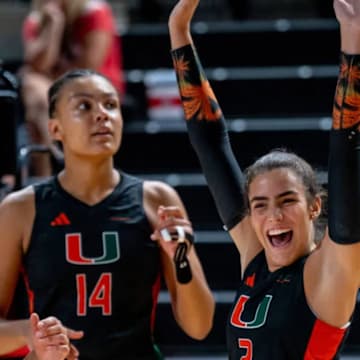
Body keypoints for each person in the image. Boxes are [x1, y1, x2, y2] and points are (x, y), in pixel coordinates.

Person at [169, 0, 360, 358]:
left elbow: (348, 159)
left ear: (314, 206)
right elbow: (211, 146)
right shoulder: (256, 257)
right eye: (260, 205)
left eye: (287, 200)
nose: (273, 215)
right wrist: (178, 30)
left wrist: (353, 39)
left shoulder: (329, 273)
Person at [0, 68, 214, 359]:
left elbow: (200, 327)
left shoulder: (157, 199)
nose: (102, 114)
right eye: (83, 106)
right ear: (54, 129)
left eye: (110, 105)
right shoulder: (20, 209)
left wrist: (182, 256)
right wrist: (30, 333)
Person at [19, 0, 125, 177]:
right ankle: (47, 169)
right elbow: (38, 65)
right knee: (32, 87)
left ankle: (52, 166)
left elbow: (88, 69)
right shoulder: (37, 19)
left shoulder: (95, 12)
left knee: (39, 97)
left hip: (95, 84)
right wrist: (54, 26)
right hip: (50, 90)